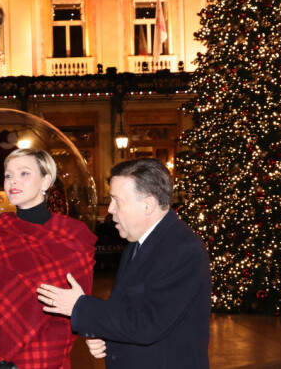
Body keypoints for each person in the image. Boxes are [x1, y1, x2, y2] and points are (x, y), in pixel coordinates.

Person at [37, 157, 212, 369]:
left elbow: (148, 324)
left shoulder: (182, 249)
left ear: (148, 204)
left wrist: (79, 306)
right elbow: (126, 310)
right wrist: (105, 337)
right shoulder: (137, 242)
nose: (110, 209)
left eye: (117, 200)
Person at [0, 148, 97, 369]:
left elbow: (69, 318)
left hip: (45, 362)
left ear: (46, 181)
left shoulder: (73, 237)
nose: (13, 181)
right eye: (8, 175)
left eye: (24, 173)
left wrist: (22, 366)